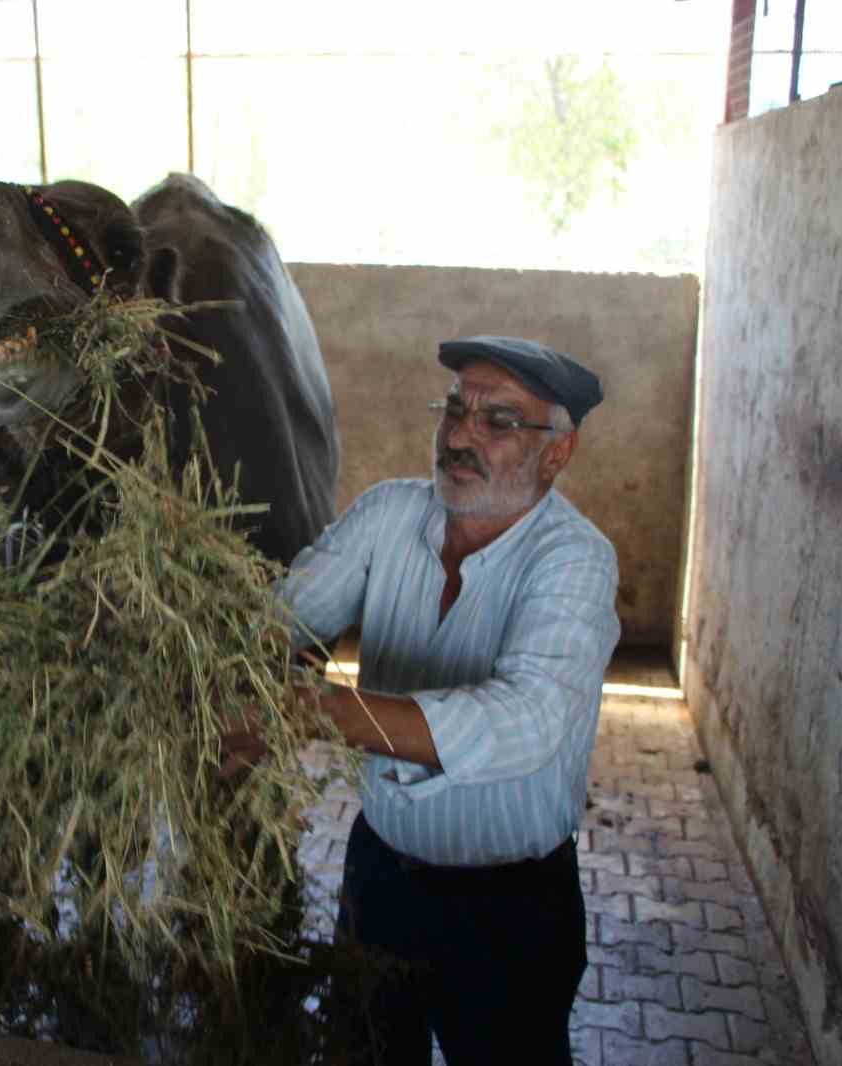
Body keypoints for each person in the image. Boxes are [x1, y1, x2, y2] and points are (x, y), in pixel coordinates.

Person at [250, 336, 621, 1065]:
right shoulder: (390, 515)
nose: (460, 434)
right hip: (381, 878)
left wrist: (317, 710)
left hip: (510, 909)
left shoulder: (575, 560)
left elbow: (527, 720)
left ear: (558, 452)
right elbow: (280, 616)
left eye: (500, 421)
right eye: (455, 408)